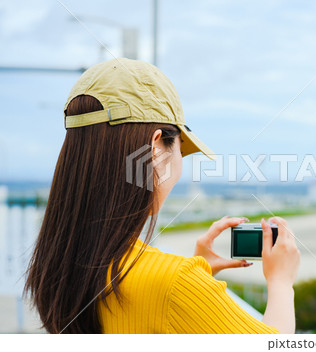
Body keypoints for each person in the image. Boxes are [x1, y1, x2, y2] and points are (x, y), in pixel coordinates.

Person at [25, 58, 301, 334]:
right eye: (180, 150)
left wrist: (197, 282)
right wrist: (281, 281)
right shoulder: (175, 282)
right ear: (154, 149)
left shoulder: (55, 267)